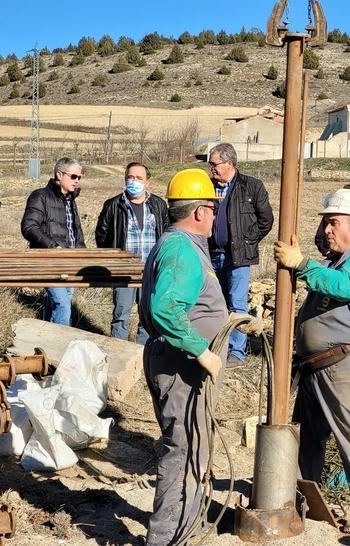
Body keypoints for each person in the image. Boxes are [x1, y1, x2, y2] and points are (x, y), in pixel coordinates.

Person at [273, 188, 350, 536]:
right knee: (305, 438)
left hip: (347, 363)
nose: (326, 230)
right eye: (325, 223)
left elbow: (347, 286)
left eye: (333, 222)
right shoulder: (335, 262)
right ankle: (300, 501)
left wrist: (303, 265)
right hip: (318, 366)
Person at [138, 168, 230, 545]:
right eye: (212, 207)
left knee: (192, 446)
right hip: (182, 366)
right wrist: (202, 352)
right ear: (199, 212)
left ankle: (184, 527)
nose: (214, 215)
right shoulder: (182, 250)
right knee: (185, 449)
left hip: (178, 364)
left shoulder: (179, 245)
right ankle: (168, 538)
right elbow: (165, 310)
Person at [207, 143, 274, 367]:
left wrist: (247, 241)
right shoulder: (206, 186)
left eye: (214, 164)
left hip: (238, 258)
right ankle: (215, 348)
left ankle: (236, 352)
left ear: (229, 163)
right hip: (211, 254)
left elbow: (266, 221)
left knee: (236, 305)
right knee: (214, 303)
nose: (211, 169)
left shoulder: (251, 187)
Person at [95, 162, 168, 345]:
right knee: (121, 313)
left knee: (148, 316)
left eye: (139, 178)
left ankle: (143, 354)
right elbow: (102, 235)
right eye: (130, 177)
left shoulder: (158, 205)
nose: (133, 181)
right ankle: (118, 351)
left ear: (147, 182)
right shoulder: (113, 205)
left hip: (150, 270)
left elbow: (166, 233)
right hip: (123, 271)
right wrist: (113, 261)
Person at [21, 157, 85, 326]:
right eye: (73, 176)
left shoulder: (71, 201)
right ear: (59, 174)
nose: (77, 180)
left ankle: (44, 341)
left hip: (70, 262)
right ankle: (61, 345)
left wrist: (83, 253)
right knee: (62, 305)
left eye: (79, 177)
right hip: (49, 260)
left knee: (55, 304)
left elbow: (75, 231)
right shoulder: (40, 196)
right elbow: (29, 227)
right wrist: (52, 246)